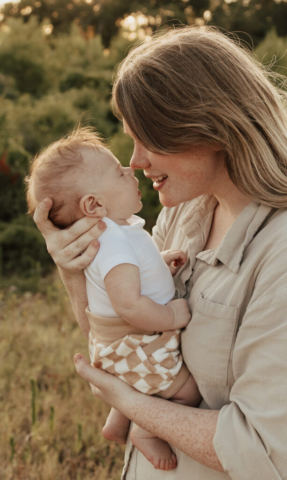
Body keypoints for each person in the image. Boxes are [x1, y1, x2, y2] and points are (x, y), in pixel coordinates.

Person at [33, 26, 287, 480]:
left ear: (213, 128)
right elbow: (123, 346)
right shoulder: (185, 210)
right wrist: (75, 271)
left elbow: (275, 456)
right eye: (131, 139)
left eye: (150, 139)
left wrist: (131, 405)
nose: (137, 161)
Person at [25, 128, 201, 471]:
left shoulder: (118, 235)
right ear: (94, 204)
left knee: (134, 379)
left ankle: (117, 421)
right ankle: (145, 432)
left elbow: (127, 278)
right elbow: (128, 305)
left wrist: (161, 263)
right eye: (118, 172)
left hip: (120, 345)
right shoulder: (114, 242)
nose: (130, 170)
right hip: (135, 340)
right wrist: (172, 316)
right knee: (186, 393)